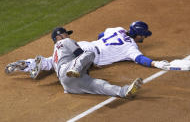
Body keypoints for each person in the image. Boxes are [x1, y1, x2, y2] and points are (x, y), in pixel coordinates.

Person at [6, 27, 143, 98]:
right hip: (70, 70)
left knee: (99, 84)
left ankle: (124, 91)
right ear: (59, 36)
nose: (68, 35)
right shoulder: (66, 42)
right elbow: (81, 55)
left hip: (68, 85)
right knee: (89, 54)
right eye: (66, 33)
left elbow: (49, 64)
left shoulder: (55, 53)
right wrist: (83, 66)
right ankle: (76, 69)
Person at [5, 21, 170, 79]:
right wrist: (155, 63)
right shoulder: (130, 47)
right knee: (66, 71)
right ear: (139, 35)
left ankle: (30, 63)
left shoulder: (117, 29)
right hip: (87, 56)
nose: (145, 38)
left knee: (52, 61)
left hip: (84, 44)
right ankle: (36, 65)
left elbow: (101, 34)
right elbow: (141, 60)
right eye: (144, 36)